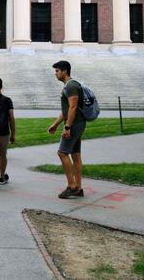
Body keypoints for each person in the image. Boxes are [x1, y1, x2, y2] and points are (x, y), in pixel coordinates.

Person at [47, 60, 86, 199]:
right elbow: (66, 110)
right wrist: (56, 124)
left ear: (64, 71)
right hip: (76, 123)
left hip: (74, 124)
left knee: (62, 153)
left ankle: (72, 186)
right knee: (75, 155)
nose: (55, 74)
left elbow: (73, 107)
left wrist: (67, 126)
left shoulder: (71, 86)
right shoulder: (69, 86)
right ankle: (79, 188)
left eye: (57, 71)